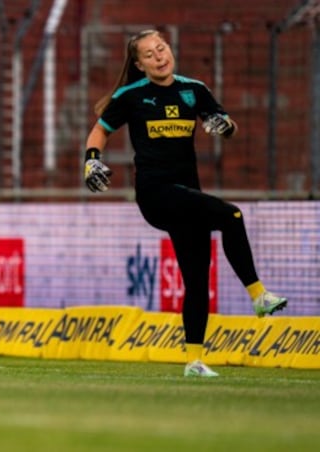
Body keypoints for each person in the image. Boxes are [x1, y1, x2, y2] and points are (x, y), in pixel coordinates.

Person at [82, 29, 287, 377]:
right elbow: (100, 130)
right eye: (149, 54)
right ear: (138, 64)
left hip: (187, 193)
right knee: (231, 215)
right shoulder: (131, 95)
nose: (159, 56)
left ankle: (194, 360)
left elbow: (227, 126)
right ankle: (258, 294)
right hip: (155, 193)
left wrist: (225, 126)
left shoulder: (194, 90)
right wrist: (91, 160)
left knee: (196, 280)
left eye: (162, 49)